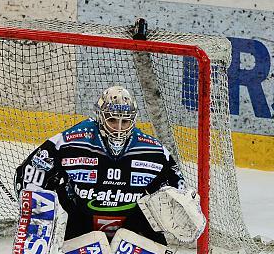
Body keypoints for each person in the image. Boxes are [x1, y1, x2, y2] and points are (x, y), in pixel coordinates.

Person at [14, 85, 190, 244]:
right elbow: (32, 171)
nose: (119, 128)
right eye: (113, 120)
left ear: (133, 120)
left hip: (131, 222)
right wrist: (35, 207)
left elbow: (175, 188)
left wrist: (185, 204)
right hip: (79, 219)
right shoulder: (71, 141)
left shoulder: (153, 150)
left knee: (159, 247)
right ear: (100, 116)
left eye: (125, 121)